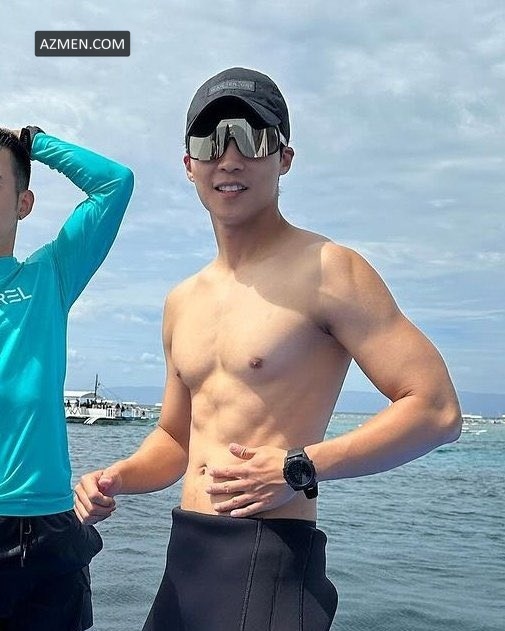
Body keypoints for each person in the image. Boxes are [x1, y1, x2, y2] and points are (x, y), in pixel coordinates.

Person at [74, 67, 462, 631]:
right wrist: (116, 476)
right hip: (185, 562)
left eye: (250, 137)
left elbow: (437, 410)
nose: (229, 158)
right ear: (189, 164)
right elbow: (176, 439)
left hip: (272, 559)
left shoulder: (329, 270)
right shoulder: (182, 300)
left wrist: (300, 467)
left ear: (284, 157)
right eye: (210, 141)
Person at [0, 126, 134, 630]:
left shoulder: (48, 276)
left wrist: (36, 143)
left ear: (24, 203)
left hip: (51, 534)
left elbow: (114, 184)